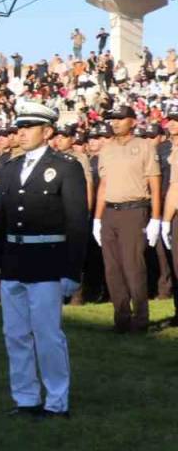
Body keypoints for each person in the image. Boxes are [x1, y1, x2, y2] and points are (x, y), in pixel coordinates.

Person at [0, 100, 87, 419]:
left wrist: (72, 269)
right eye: (20, 127)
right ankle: (26, 398)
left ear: (48, 131)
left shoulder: (67, 166)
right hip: (14, 260)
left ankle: (57, 401)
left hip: (47, 261)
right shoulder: (10, 167)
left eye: (28, 127)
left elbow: (76, 221)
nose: (22, 132)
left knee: (48, 335)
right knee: (15, 335)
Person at [94, 104, 161, 333]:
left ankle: (140, 320)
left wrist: (156, 217)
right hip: (110, 212)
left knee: (133, 267)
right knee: (112, 268)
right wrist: (97, 218)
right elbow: (103, 185)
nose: (115, 122)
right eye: (113, 119)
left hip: (134, 210)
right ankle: (121, 319)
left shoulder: (144, 146)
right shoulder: (106, 148)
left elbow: (154, 181)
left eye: (120, 118)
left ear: (133, 121)